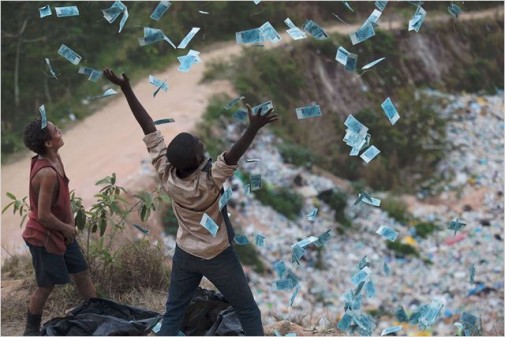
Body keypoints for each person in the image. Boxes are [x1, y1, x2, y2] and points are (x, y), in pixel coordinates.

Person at [103, 68, 278, 336]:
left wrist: (126, 89)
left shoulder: (166, 171)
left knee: (173, 313)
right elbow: (232, 155)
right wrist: (252, 128)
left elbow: (148, 127)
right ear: (198, 160)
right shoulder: (209, 181)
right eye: (199, 146)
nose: (201, 142)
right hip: (217, 254)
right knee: (248, 311)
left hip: (185, 253)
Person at [21, 119, 96, 336]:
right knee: (46, 286)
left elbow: (60, 202)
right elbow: (43, 215)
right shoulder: (47, 173)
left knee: (82, 273)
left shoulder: (56, 159)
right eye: (56, 131)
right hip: (44, 237)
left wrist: (68, 227)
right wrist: (67, 228)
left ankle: (97, 311)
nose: (60, 131)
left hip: (62, 232)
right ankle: (30, 330)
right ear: (48, 143)